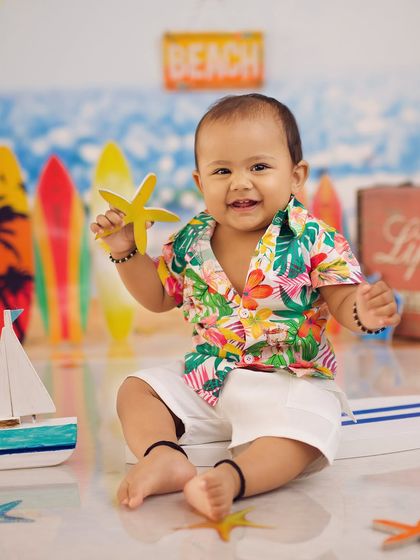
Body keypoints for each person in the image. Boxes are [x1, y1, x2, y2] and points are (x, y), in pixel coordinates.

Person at [90, 94, 400, 521]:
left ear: (296, 176)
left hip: (289, 379)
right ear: (201, 184)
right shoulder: (190, 240)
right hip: (209, 377)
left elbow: (343, 298)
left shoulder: (314, 238)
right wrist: (125, 250)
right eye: (222, 171)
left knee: (307, 431)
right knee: (136, 389)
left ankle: (231, 478)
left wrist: (363, 310)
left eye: (258, 167)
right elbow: (159, 297)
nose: (240, 182)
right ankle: (162, 455)